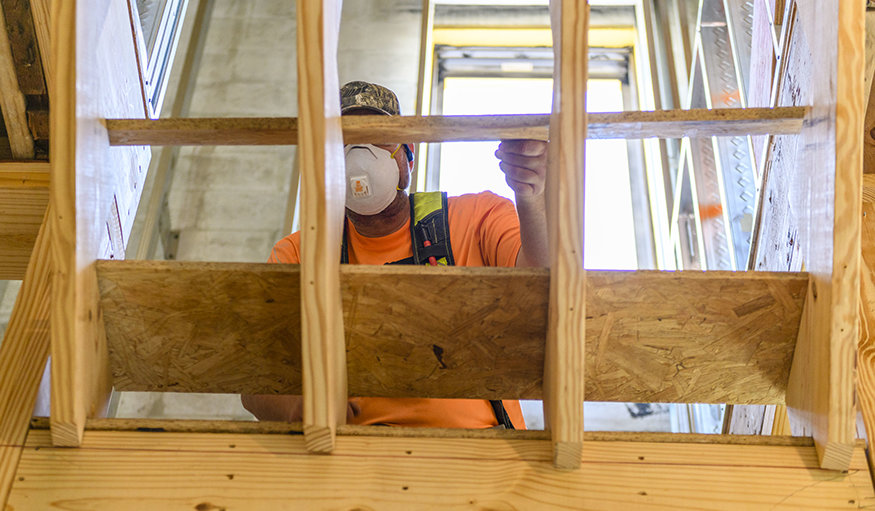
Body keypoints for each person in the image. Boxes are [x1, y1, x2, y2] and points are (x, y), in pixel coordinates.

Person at [242, 80, 548, 429]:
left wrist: (533, 197)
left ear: (408, 152)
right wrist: (298, 408)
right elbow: (255, 379)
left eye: (379, 136)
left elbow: (542, 286)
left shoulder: (476, 218)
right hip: (357, 462)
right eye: (343, 143)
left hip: (481, 458)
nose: (360, 155)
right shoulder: (300, 253)